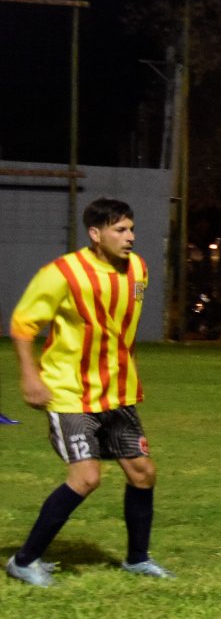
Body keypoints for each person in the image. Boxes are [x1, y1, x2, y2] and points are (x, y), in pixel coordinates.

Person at [7, 199, 174, 587]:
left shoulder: (138, 269)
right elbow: (21, 325)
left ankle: (137, 560)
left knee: (143, 472)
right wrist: (30, 377)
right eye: (120, 230)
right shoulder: (62, 273)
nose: (130, 237)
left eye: (131, 229)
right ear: (95, 235)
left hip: (118, 394)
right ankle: (24, 560)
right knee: (85, 477)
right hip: (70, 394)